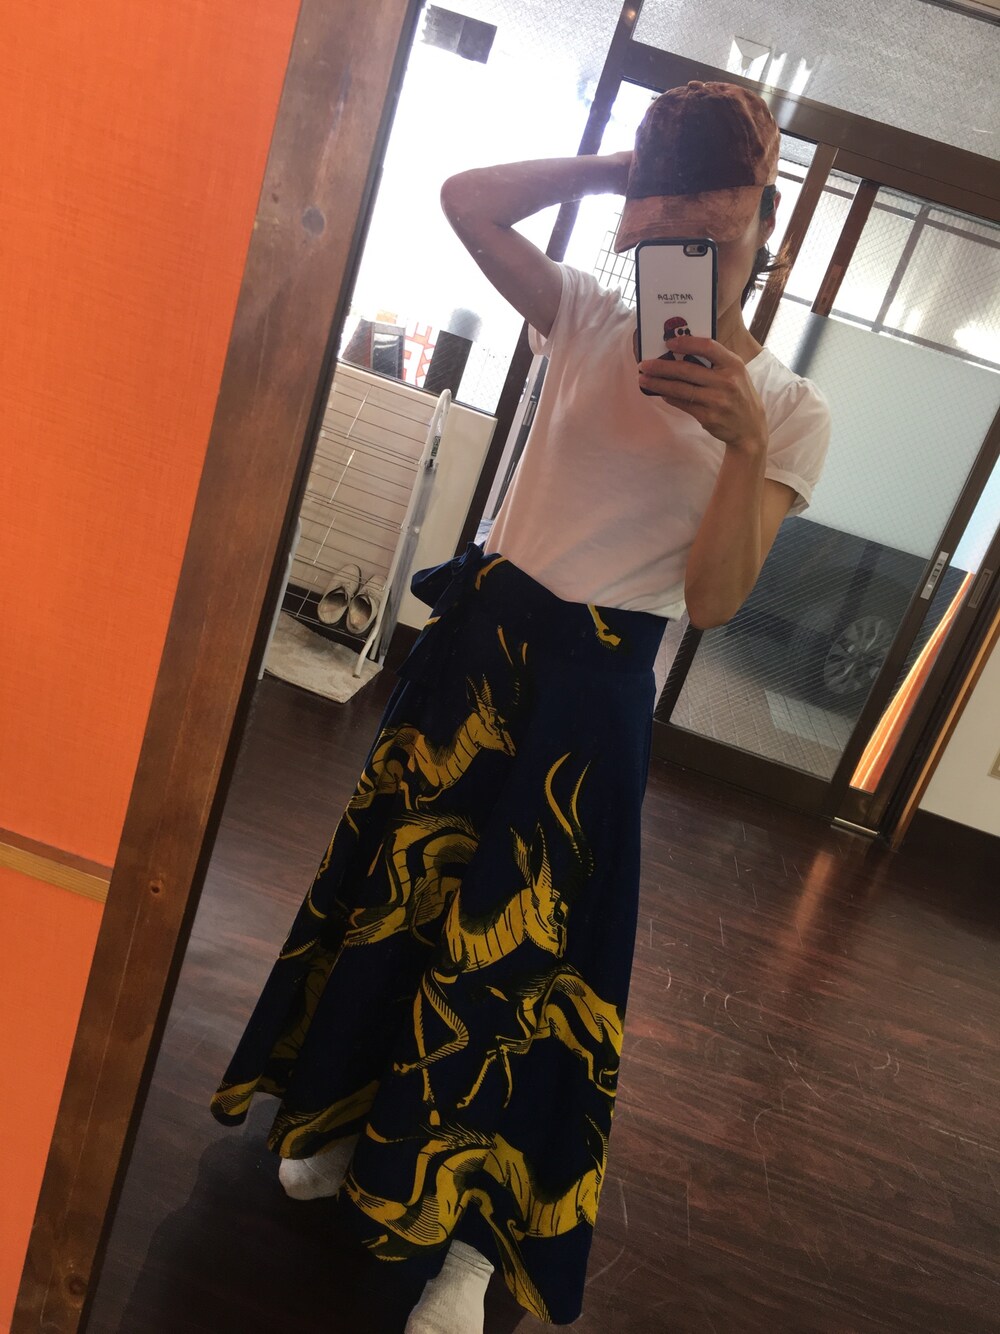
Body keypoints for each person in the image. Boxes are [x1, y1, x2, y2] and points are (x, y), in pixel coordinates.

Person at [211, 81, 830, 1332]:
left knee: (525, 964)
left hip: (588, 709)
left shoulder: (793, 412)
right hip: (479, 656)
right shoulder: (589, 310)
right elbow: (465, 199)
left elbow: (713, 600)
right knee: (400, 895)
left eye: (723, 222)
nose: (695, 243)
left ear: (767, 225)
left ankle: (467, 1244)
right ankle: (345, 1112)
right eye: (674, 220)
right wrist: (621, 173)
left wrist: (745, 443)